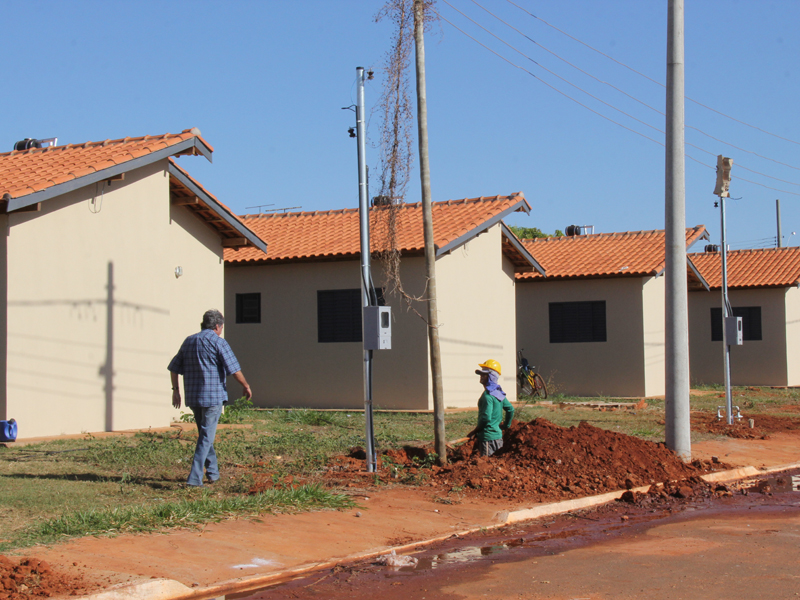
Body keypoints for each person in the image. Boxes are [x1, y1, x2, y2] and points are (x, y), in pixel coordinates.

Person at [168, 309, 252, 487]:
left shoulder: (189, 341)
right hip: (212, 397)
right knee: (206, 437)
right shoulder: (219, 343)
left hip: (194, 397)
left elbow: (174, 367)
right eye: (221, 327)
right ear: (217, 326)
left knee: (205, 436)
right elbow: (234, 369)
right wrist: (245, 385)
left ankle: (213, 473)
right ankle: (194, 478)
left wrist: (176, 390)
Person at [468, 359, 515, 457]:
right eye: (481, 374)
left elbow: (486, 417)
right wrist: (506, 425)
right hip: (498, 437)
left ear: (491, 377)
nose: (481, 376)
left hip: (487, 439)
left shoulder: (487, 396)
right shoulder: (498, 393)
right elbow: (510, 409)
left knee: (488, 466)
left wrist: (475, 431)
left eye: (484, 374)